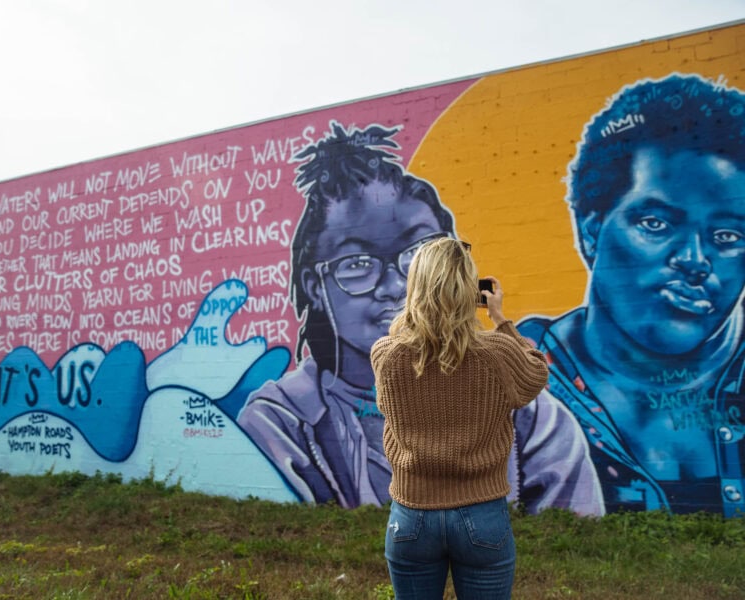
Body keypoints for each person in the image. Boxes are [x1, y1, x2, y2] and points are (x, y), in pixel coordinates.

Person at [238, 121, 601, 513]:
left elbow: (570, 525)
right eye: (357, 264)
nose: (395, 285)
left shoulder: (530, 416)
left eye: (418, 256)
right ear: (314, 286)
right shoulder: (282, 423)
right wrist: (497, 321)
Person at [517, 73, 745, 516]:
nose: (695, 260)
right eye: (656, 224)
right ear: (591, 232)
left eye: (727, 236)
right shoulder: (511, 381)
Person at [371, 237, 548, 599]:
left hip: (411, 517)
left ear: (415, 287)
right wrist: (500, 319)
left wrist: (418, 317)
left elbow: (402, 356)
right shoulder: (497, 353)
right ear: (469, 289)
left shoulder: (387, 355)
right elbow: (536, 374)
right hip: (481, 514)